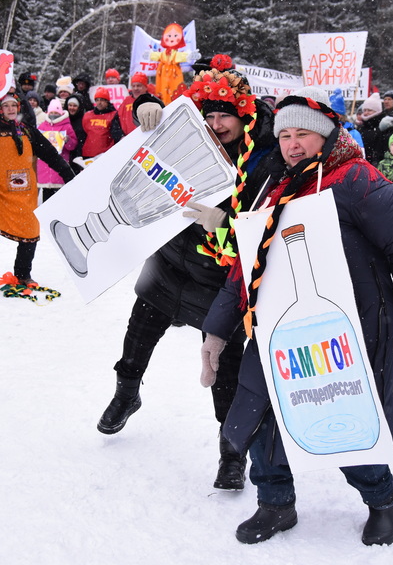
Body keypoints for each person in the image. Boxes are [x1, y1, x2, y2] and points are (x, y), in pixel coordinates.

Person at [200, 86, 393, 546]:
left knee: (344, 415)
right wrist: (217, 330)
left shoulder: (357, 179)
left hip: (350, 326)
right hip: (278, 325)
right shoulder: (275, 184)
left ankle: (383, 500)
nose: (292, 144)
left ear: (325, 136)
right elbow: (247, 261)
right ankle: (275, 502)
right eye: (285, 135)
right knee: (266, 413)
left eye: (302, 134)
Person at [97, 59, 282, 495]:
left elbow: (269, 221)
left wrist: (226, 221)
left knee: (224, 368)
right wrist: (145, 104)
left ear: (244, 116)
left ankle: (231, 451)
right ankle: (127, 394)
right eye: (209, 115)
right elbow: (148, 131)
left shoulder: (265, 155)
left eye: (225, 117)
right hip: (167, 263)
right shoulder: (189, 135)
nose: (216, 124)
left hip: (220, 280)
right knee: (136, 339)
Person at [0, 95, 75, 294]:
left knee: (29, 233)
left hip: (24, 192)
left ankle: (23, 274)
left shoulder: (28, 131)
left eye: (14, 105)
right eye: (6, 106)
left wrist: (69, 176)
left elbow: (50, 154)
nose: (11, 109)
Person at [35, 98, 77, 202]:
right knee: (46, 198)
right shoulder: (42, 126)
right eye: (52, 112)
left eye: (56, 112)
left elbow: (73, 145)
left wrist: (67, 140)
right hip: (44, 167)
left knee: (59, 198)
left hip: (59, 165)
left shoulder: (66, 126)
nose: (54, 114)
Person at [79, 87, 122, 159]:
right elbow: (82, 135)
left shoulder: (114, 115)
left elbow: (116, 135)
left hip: (105, 154)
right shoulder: (87, 115)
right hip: (88, 153)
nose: (99, 102)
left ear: (107, 101)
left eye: (102, 100)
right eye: (97, 100)